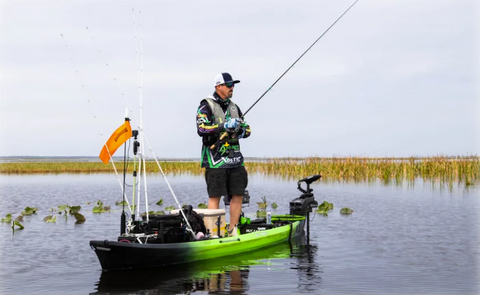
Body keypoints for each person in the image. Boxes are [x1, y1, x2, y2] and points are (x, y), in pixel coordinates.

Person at [196, 72, 251, 237]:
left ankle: (233, 230)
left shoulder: (235, 107)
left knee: (238, 193)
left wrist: (240, 131)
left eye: (233, 85)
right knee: (215, 195)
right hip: (215, 161)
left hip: (235, 160)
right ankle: (213, 233)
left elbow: (247, 130)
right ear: (218, 86)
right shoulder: (206, 105)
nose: (231, 88)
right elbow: (201, 129)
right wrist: (223, 126)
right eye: (228, 85)